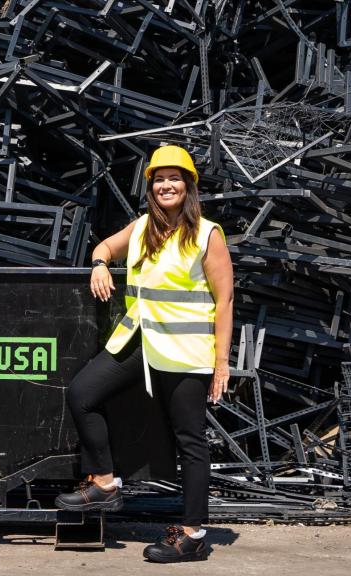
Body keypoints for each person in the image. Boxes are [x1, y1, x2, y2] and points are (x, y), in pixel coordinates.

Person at [54, 144, 234, 563]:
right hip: (138, 341)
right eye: (159, 179)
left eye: (175, 178)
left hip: (184, 352)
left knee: (190, 441)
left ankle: (192, 536)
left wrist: (222, 362)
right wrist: (99, 264)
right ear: (150, 187)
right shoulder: (141, 228)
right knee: (83, 393)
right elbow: (104, 247)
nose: (166, 185)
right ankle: (103, 481)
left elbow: (224, 301)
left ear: (189, 186)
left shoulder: (207, 235)